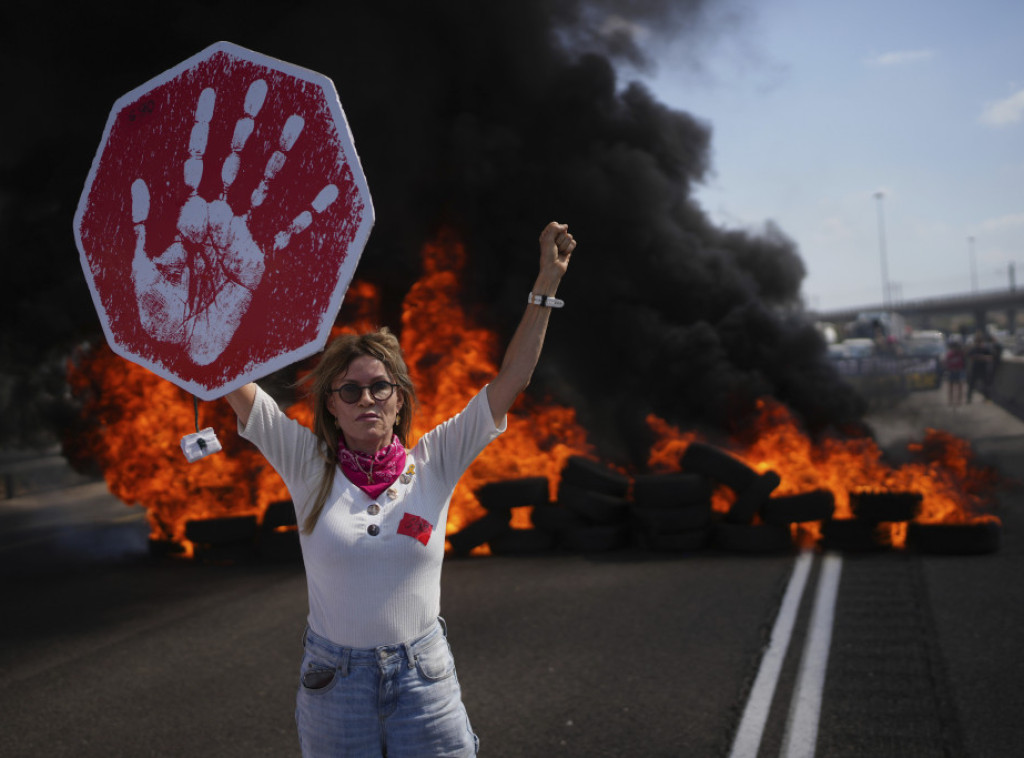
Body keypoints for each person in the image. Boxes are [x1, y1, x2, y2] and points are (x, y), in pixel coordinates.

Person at [224, 221, 576, 757]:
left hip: (423, 682)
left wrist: (546, 285)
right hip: (334, 688)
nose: (367, 398)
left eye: (379, 386)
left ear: (398, 399)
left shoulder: (435, 460)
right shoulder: (307, 464)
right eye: (350, 389)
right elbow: (232, 380)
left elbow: (512, 379)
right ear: (333, 407)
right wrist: (200, 312)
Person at [944, 335, 966, 406]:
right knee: (951, 386)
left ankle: (959, 401)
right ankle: (950, 401)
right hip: (952, 371)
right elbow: (946, 363)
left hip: (959, 370)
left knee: (960, 386)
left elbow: (964, 362)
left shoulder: (961, 354)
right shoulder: (950, 354)